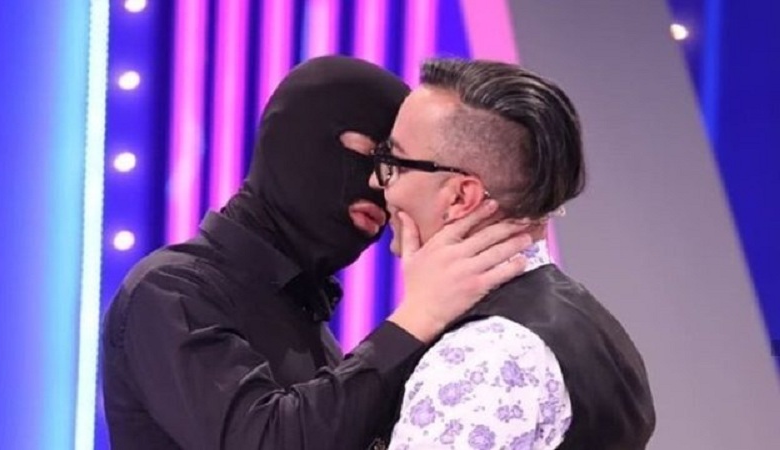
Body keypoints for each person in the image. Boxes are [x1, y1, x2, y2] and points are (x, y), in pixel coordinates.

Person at [102, 55, 534, 450]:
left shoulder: (306, 322)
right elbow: (265, 440)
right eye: (363, 154)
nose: (379, 186)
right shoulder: (172, 291)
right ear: (292, 144)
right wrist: (417, 317)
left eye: (392, 169)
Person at [370, 58, 656, 449]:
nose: (379, 182)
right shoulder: (590, 323)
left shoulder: (480, 357)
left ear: (460, 197)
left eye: (395, 163)